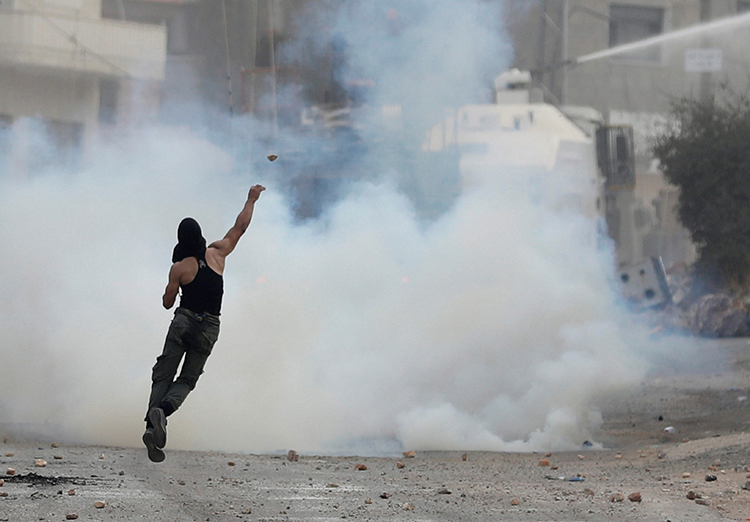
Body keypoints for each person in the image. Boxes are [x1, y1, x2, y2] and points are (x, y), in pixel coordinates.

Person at [142, 184, 266, 463]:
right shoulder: (217, 253)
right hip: (209, 326)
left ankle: (152, 426)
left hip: (183, 321)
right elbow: (240, 228)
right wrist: (251, 199)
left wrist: (172, 285)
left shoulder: (179, 268)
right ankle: (165, 410)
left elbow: (167, 303)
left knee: (163, 374)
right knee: (187, 379)